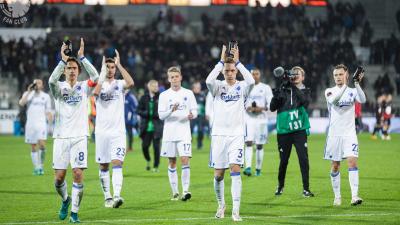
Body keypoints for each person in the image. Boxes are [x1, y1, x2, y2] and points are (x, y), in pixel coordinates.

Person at [49, 38, 99, 223]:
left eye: (74, 68)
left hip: (79, 136)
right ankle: (65, 200)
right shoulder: (58, 88)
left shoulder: (84, 87)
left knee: (77, 173)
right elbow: (51, 80)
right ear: (64, 71)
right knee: (59, 179)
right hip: (61, 137)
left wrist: (82, 58)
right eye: (68, 68)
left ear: (78, 72)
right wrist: (63, 59)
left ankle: (75, 213)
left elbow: (95, 78)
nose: (71, 70)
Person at [206, 45, 255, 221]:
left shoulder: (242, 87)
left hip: (236, 135)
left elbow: (251, 81)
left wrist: (239, 62)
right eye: (227, 70)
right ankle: (221, 205)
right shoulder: (217, 87)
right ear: (223, 72)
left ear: (236, 71)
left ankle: (236, 210)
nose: (229, 73)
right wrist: (220, 62)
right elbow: (208, 80)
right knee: (219, 175)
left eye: (232, 70)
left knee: (235, 169)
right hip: (218, 135)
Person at [93, 51, 134, 208]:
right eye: (107, 67)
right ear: (103, 68)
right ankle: (107, 197)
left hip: (118, 132)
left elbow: (131, 82)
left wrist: (119, 65)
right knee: (103, 166)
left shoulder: (120, 84)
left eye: (112, 67)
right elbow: (95, 94)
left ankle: (117, 195)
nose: (110, 69)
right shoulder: (98, 83)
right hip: (102, 132)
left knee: (117, 163)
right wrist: (101, 75)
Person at [324, 64, 366, 206]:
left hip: (349, 134)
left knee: (352, 162)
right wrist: (345, 87)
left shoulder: (352, 91)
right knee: (335, 166)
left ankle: (354, 196)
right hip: (334, 135)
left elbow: (363, 99)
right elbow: (334, 101)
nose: (338, 77)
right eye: (336, 75)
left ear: (346, 75)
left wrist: (356, 84)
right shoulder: (329, 91)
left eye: (341, 74)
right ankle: (337, 196)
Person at [270, 66, 314, 197]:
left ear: (303, 77)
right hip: (284, 131)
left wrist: (291, 86)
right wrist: (279, 91)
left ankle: (306, 189)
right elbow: (272, 108)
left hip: (299, 130)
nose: (294, 76)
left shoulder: (306, 90)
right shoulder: (283, 89)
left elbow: (305, 102)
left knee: (303, 159)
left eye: (297, 74)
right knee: (283, 161)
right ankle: (280, 186)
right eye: (292, 74)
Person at [158, 66, 198, 201]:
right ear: (169, 79)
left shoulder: (188, 93)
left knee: (185, 160)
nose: (174, 79)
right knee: (172, 162)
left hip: (184, 133)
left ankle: (186, 191)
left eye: (176, 76)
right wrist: (172, 111)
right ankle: (175, 192)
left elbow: (195, 111)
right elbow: (161, 116)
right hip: (169, 133)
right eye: (172, 77)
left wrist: (193, 115)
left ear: (180, 77)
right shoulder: (164, 95)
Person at [243, 68, 273, 177]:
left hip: (261, 119)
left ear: (260, 75)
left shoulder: (265, 88)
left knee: (260, 145)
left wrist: (262, 108)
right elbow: (242, 102)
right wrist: (248, 108)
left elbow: (270, 104)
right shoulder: (246, 87)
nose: (255, 76)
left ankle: (258, 169)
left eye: (257, 74)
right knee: (248, 142)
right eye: (253, 74)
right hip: (249, 118)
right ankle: (248, 167)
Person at [18, 79, 52, 175]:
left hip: (41, 124)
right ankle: (36, 168)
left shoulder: (46, 96)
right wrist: (29, 91)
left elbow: (48, 110)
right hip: (30, 124)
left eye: (39, 83)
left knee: (42, 145)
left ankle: (41, 165)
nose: (37, 84)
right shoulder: (28, 94)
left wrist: (50, 119)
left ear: (42, 85)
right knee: (33, 146)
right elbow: (21, 103)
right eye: (35, 83)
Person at [137, 80, 163, 172]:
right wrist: (146, 113)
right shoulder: (144, 98)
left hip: (157, 126)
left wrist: (158, 114)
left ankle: (156, 166)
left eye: (157, 86)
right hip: (146, 127)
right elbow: (138, 110)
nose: (156, 88)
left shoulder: (161, 97)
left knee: (156, 148)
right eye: (154, 86)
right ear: (149, 87)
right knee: (144, 146)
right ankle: (148, 159)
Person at [190, 81, 207, 150]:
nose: (198, 89)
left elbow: (206, 106)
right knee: (189, 130)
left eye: (199, 87)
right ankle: (188, 144)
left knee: (200, 130)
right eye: (196, 87)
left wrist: (206, 114)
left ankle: (200, 144)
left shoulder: (203, 95)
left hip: (201, 116)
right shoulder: (190, 95)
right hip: (191, 116)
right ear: (193, 88)